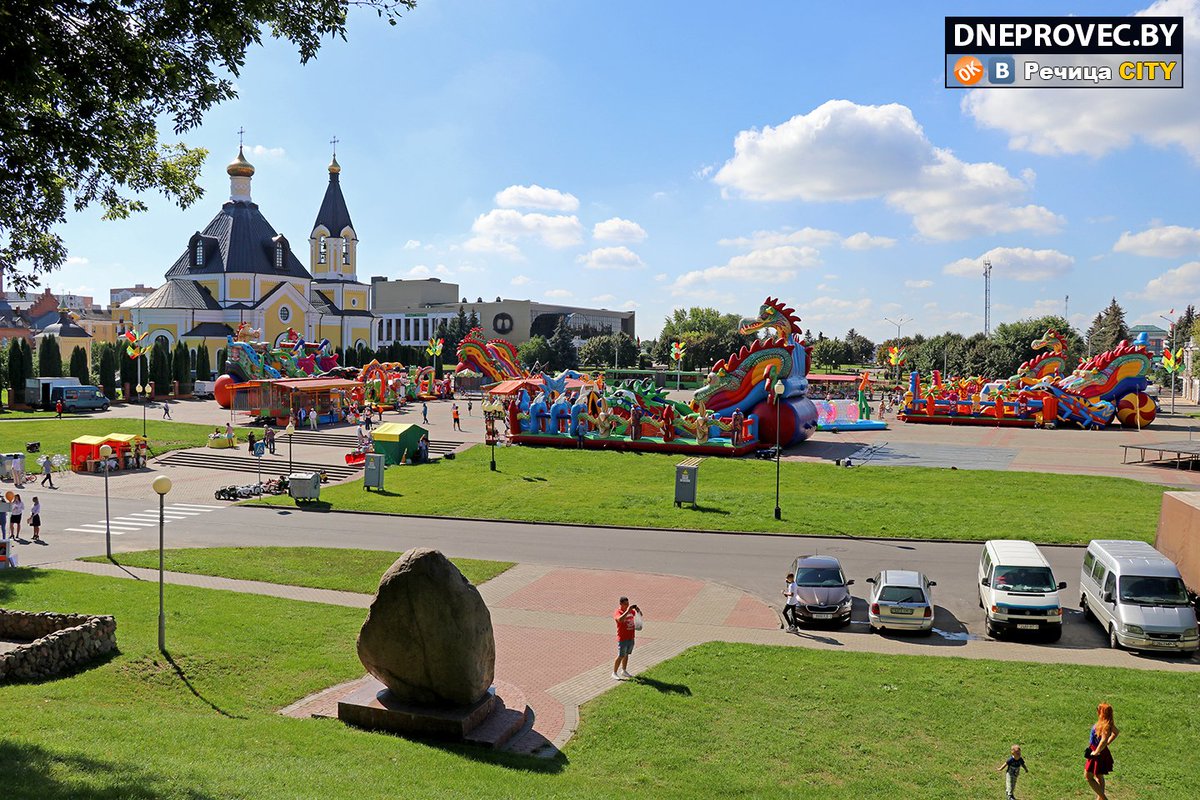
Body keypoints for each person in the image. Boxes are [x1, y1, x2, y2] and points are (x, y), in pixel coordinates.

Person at [1085, 702, 1119, 799]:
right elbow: (1116, 732)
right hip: (1100, 751)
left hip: (1097, 753)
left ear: (1102, 713)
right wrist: (1107, 743)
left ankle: (1104, 799)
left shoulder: (1105, 726)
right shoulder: (1107, 723)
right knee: (1099, 776)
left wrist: (1096, 752)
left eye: (1099, 710)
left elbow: (1103, 740)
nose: (1097, 711)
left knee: (1088, 777)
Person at [612, 596, 640, 680]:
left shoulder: (631, 611)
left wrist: (638, 610)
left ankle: (624, 670)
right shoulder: (618, 612)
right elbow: (620, 620)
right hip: (623, 638)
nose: (627, 605)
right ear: (620, 604)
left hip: (631, 637)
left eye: (628, 604)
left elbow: (640, 615)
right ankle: (614, 672)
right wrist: (627, 611)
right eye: (625, 604)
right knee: (621, 655)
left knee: (626, 654)